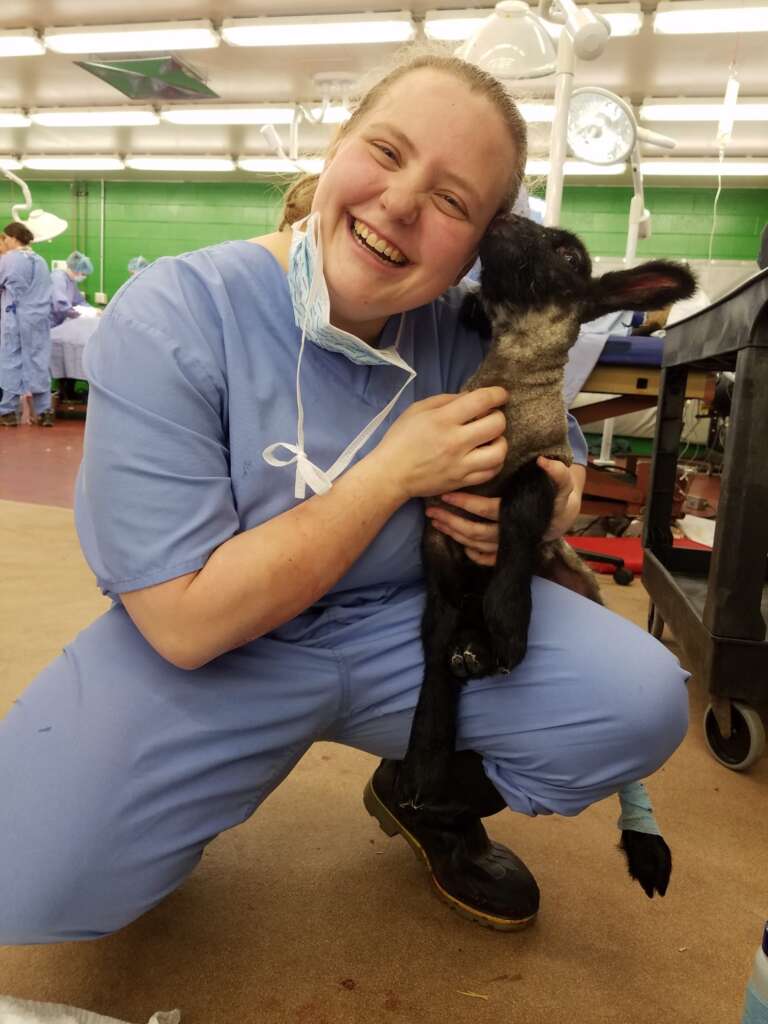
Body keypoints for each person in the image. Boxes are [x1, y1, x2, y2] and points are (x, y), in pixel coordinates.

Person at [0, 53, 689, 944]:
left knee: (637, 698)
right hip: (217, 649)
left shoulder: (463, 326)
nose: (401, 204)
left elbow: (554, 441)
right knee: (26, 881)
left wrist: (555, 497)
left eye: (452, 202)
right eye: (387, 151)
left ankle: (425, 790)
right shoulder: (176, 314)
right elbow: (181, 622)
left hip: (409, 633)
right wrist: (392, 474)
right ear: (336, 145)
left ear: (483, 243)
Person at [0, 221, 54, 427]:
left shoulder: (9, 260)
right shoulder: (40, 260)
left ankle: (8, 413)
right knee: (38, 361)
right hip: (37, 319)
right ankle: (44, 411)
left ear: (13, 238)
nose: (4, 243)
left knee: (11, 361)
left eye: (5, 238)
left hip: (14, 318)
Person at [50, 250, 94, 327]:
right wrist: (77, 314)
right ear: (75, 270)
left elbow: (79, 301)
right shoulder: (58, 278)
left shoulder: (71, 281)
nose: (84, 277)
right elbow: (60, 304)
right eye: (83, 274)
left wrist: (93, 311)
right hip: (49, 322)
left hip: (58, 322)